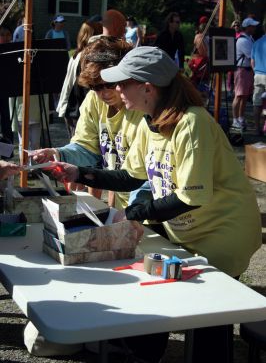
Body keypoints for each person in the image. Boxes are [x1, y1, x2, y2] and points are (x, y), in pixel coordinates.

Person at [49, 46, 261, 363]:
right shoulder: (151, 122)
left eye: (122, 82)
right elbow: (131, 176)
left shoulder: (192, 123)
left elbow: (192, 196)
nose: (115, 90)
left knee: (208, 314)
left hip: (224, 232)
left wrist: (131, 214)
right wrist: (81, 172)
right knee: (157, 290)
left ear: (147, 87)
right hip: (189, 230)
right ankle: (142, 354)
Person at [33, 37, 144, 208]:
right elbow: (87, 148)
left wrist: (135, 212)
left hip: (147, 206)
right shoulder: (93, 100)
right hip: (125, 205)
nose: (104, 93)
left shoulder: (140, 108)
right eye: (96, 86)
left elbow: (145, 175)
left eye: (110, 84)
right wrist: (57, 153)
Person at [56, 20, 102, 139]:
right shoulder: (86, 57)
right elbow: (80, 86)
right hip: (77, 110)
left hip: (73, 109)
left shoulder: (77, 54)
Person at [231, 17, 259, 130]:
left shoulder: (250, 38)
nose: (254, 28)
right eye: (252, 26)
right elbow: (252, 56)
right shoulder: (243, 40)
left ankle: (241, 117)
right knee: (238, 95)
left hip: (247, 71)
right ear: (248, 27)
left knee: (244, 95)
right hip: (241, 70)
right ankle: (234, 119)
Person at [251, 18, 266, 136]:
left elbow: (252, 62)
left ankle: (257, 128)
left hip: (258, 75)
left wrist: (256, 72)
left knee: (257, 103)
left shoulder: (256, 42)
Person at [226, 19, 242, 99]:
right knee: (230, 75)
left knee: (236, 75)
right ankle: (229, 91)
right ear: (232, 26)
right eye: (234, 25)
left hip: (238, 57)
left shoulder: (241, 35)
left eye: (238, 25)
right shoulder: (229, 34)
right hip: (230, 55)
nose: (236, 27)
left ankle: (236, 91)